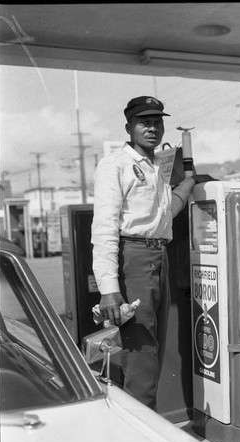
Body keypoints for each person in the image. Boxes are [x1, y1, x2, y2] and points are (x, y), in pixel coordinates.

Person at [91, 95, 212, 410]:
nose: (153, 128)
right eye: (145, 122)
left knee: (153, 348)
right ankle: (138, 441)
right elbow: (103, 228)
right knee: (140, 354)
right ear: (129, 127)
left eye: (158, 121)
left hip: (161, 256)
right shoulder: (114, 165)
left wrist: (186, 186)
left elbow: (160, 218)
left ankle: (145, 428)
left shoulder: (157, 166)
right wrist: (109, 289)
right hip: (134, 259)